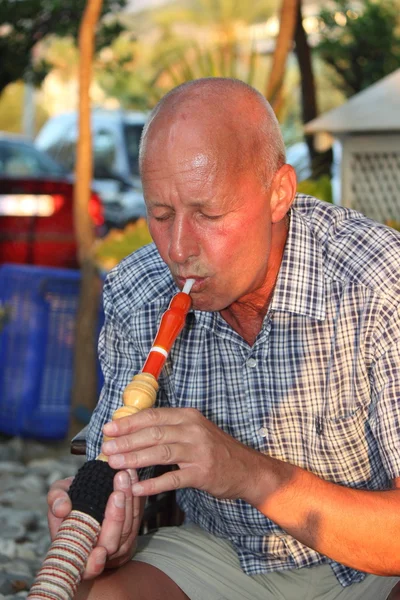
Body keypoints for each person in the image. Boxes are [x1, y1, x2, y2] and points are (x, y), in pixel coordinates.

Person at [48, 78, 400, 600]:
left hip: (373, 560)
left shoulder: (378, 283)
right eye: (161, 216)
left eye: (208, 214)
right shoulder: (138, 292)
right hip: (224, 551)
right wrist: (106, 531)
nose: (179, 249)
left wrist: (245, 472)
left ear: (280, 192)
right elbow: (114, 470)